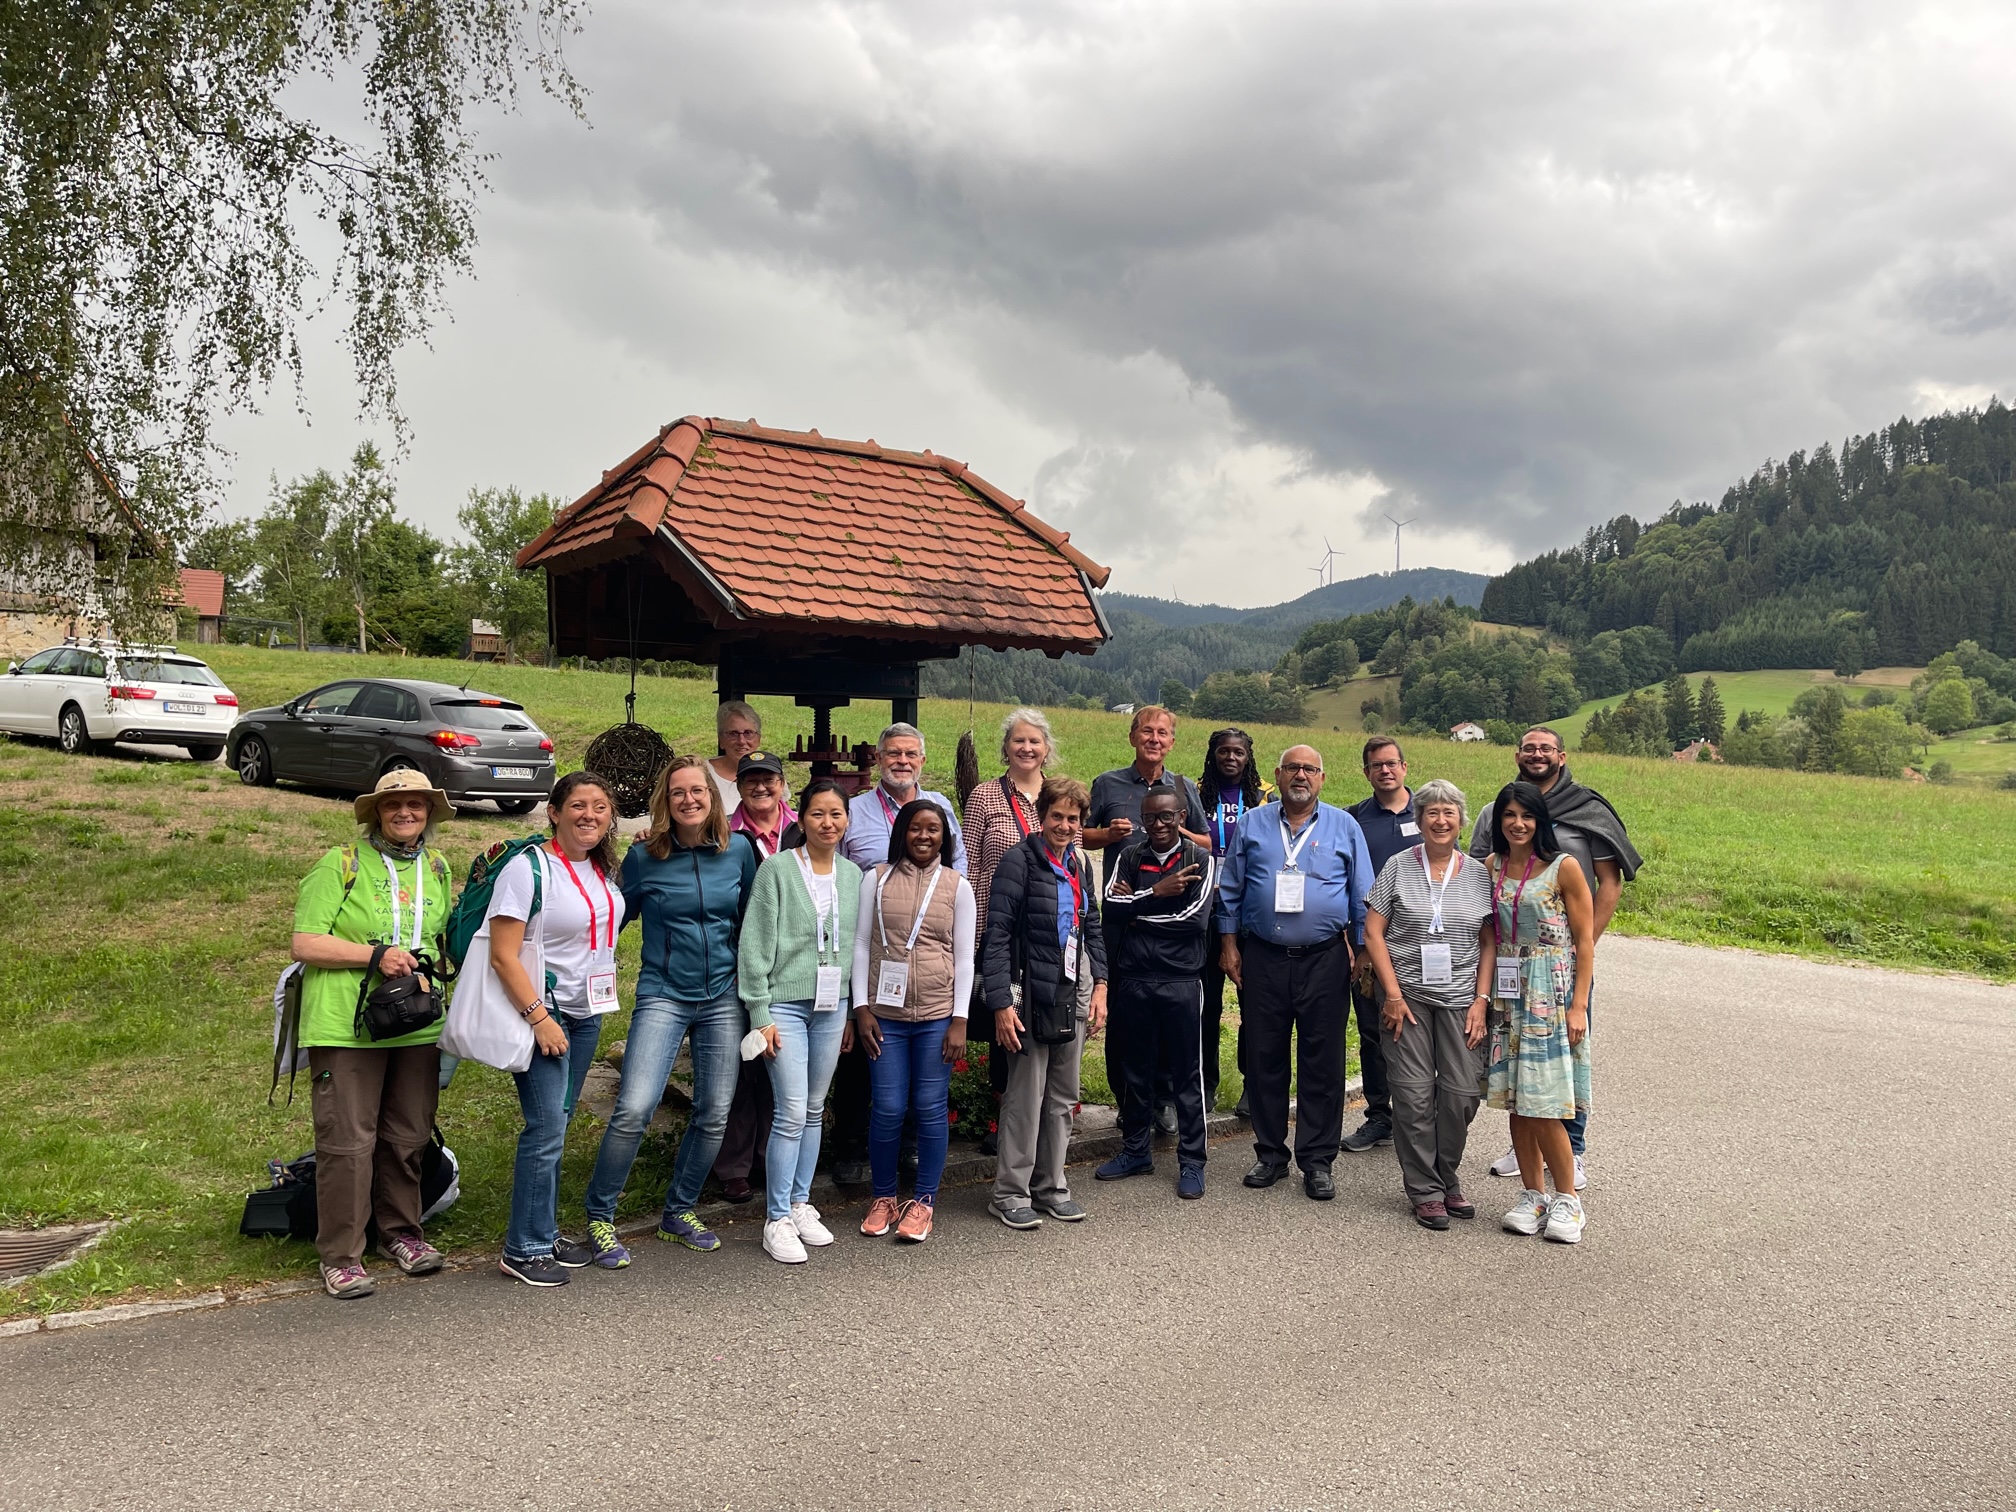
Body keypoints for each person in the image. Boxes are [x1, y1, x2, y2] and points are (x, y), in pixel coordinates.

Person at [579, 756, 759, 1268]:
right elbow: (611, 920)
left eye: (698, 791)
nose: (689, 800)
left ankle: (678, 1211)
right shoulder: (644, 859)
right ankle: (600, 1216)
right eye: (678, 792)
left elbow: (752, 923)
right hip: (664, 993)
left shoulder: (739, 851)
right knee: (635, 1105)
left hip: (723, 995)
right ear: (665, 800)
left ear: (712, 797)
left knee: (715, 1110)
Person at [290, 768, 455, 1299]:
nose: (406, 813)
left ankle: (401, 1232)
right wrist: (373, 955)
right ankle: (341, 1253)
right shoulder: (338, 864)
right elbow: (306, 943)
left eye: (417, 805)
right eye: (394, 805)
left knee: (408, 1134)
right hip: (345, 1025)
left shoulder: (437, 866)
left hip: (414, 1024)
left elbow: (435, 936)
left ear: (429, 813)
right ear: (376, 813)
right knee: (347, 1142)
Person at [1468, 726, 1640, 1188]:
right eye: (1529, 748)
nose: (1537, 754)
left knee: (1562, 1061)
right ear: (1516, 755)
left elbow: (1611, 883)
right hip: (1509, 966)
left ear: (1561, 756)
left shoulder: (1587, 810)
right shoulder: (1492, 812)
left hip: (1558, 963)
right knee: (1520, 1066)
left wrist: (1580, 950)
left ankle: (1573, 1150)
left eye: (1546, 748)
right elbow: (1480, 883)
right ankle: (1526, 1152)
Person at [1217, 745, 1374, 1200]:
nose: (1300, 775)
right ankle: (1270, 1154)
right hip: (1262, 956)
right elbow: (1231, 889)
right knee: (1264, 1057)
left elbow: (1362, 892)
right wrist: (1229, 945)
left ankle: (1318, 1160)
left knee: (1321, 1062)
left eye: (1309, 769)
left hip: (1325, 958)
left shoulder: (1345, 826)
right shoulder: (1252, 824)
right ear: (1277, 776)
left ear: (1322, 778)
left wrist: (1360, 952)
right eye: (1292, 768)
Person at [489, 772, 626, 1286]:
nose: (589, 815)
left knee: (559, 1124)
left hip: (586, 1014)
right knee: (545, 1128)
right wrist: (539, 1019)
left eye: (599, 806)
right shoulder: (529, 869)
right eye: (578, 805)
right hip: (545, 1014)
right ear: (554, 811)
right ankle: (521, 1249)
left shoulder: (599, 869)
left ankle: (542, 1233)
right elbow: (504, 956)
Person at [831, 721, 968, 1183]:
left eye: (911, 754)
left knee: (921, 1087)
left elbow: (958, 870)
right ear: (879, 759)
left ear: (922, 761)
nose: (902, 761)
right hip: (868, 952)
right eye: (893, 753)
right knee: (860, 1060)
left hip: (929, 964)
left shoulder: (942, 807)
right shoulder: (854, 809)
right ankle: (850, 1147)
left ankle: (911, 1153)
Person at [1359, 779, 1496, 1230]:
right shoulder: (1399, 866)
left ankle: (1446, 1174)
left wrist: (1481, 999)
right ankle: (1425, 1189)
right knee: (1414, 1095)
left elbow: (1488, 939)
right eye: (1431, 813)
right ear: (1418, 820)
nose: (1440, 820)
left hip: (1462, 1000)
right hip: (1407, 999)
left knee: (1461, 1093)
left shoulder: (1478, 873)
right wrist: (1391, 995)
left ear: (1461, 820)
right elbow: (1373, 932)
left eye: (1449, 813)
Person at [737, 778, 862, 1263]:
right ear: (800, 818)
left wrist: (850, 1008)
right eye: (817, 814)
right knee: (790, 1111)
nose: (827, 823)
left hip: (832, 1008)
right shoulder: (777, 871)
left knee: (813, 1108)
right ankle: (776, 1218)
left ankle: (800, 1202)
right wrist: (759, 1012)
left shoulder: (853, 876)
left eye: (836, 814)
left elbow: (852, 949)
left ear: (846, 820)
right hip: (783, 1006)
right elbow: (754, 947)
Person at [1471, 782, 1595, 1244]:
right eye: (1509, 815)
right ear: (1498, 821)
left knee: (1545, 1102)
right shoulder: (1490, 867)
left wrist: (1579, 1004)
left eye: (1527, 815)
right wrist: (1481, 1001)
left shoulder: (1563, 868)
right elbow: (1487, 939)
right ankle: (1533, 1195)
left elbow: (1585, 942)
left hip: (1550, 989)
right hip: (1507, 991)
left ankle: (1569, 1201)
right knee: (1517, 1102)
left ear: (1540, 820)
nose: (1517, 823)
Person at [983, 776, 1110, 1228]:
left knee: (1062, 1096)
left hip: (1072, 989)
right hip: (1031, 989)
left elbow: (1091, 924)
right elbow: (995, 935)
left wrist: (1101, 985)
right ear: (1042, 817)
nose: (1064, 824)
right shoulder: (1018, 861)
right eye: (1056, 816)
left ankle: (1051, 1185)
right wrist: (1000, 1002)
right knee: (1025, 1094)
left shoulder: (1079, 863)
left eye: (1072, 819)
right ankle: (1009, 1192)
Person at [851, 799, 976, 1244]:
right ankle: (884, 1196)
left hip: (937, 1016)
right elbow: (862, 945)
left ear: (945, 837)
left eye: (934, 830)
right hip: (884, 1016)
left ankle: (924, 1201)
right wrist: (860, 1007)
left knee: (928, 1107)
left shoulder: (957, 886)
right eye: (916, 828)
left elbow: (964, 957)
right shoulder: (876, 879)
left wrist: (960, 1019)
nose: (924, 837)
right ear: (902, 831)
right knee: (886, 1108)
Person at [1086, 704, 1210, 1136]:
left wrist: (1174, 830)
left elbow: (1206, 840)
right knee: (1124, 1016)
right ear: (1132, 737)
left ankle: (1163, 1101)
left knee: (1166, 1017)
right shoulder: (1108, 784)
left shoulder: (1183, 786)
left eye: (1162, 733)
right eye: (1146, 731)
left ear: (1172, 741)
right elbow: (1077, 833)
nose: (1154, 739)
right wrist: (1110, 836)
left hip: (1173, 914)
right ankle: (1128, 1101)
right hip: (1123, 915)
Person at [1094, 788, 1217, 1199]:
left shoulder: (1201, 859)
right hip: (1134, 979)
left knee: (1186, 1073)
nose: (1159, 825)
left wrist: (1138, 913)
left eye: (1167, 817)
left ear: (1181, 816)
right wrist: (1157, 892)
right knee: (1135, 1069)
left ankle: (1193, 1161)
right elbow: (1110, 906)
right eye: (1151, 818)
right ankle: (1135, 1152)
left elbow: (1194, 920)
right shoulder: (1130, 855)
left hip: (1181, 979)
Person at [961, 707, 1055, 1151]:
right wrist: (977, 932)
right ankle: (1002, 1119)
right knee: (1003, 1020)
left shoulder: (1057, 797)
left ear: (1046, 749)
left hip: (1043, 934)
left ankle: (1039, 1118)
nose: (1026, 748)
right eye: (1019, 740)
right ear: (1006, 746)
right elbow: (970, 866)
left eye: (1035, 741)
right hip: (998, 929)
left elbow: (1069, 866)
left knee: (1041, 1019)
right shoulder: (984, 796)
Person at [714, 749, 799, 1202]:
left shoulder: (805, 827)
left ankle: (772, 1158)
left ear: (782, 783)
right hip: (740, 959)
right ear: (740, 786)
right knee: (743, 1064)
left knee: (780, 1062)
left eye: (768, 780)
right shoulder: (723, 833)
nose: (760, 787)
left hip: (796, 965)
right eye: (751, 781)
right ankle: (733, 1165)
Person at [1341, 737, 1419, 1154]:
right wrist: (1354, 941)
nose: (1385, 771)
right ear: (1366, 772)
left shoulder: (1428, 815)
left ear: (1405, 767)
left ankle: (1418, 1118)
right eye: (1376, 765)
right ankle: (1379, 1117)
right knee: (1373, 1032)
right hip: (1370, 949)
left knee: (1422, 1032)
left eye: (1392, 763)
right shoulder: (1352, 820)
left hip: (1421, 946)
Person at [1199, 726, 1266, 1117]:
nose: (1231, 758)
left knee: (1254, 1005)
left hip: (1250, 913)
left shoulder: (1263, 798)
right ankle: (1205, 1083)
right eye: (1223, 751)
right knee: (1204, 1005)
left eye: (1238, 752)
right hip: (1205, 911)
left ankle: (1251, 1084)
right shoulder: (1195, 792)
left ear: (1248, 756)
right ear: (1213, 754)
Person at [707, 700, 763, 816]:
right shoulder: (704, 773)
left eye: (748, 733)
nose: (741, 741)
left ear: (758, 739)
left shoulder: (770, 771)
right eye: (733, 734)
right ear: (721, 740)